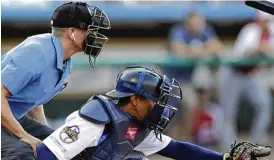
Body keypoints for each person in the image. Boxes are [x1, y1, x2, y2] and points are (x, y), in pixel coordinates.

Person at [36, 66, 271, 160]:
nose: (161, 106)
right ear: (135, 99)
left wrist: (224, 158)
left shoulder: (136, 123)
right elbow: (46, 153)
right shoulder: (96, 119)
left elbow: (177, 149)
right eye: (155, 100)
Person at [1, 2, 111, 159]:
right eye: (90, 30)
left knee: (65, 148)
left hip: (11, 115)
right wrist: (23, 135)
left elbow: (35, 101)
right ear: (72, 32)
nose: (95, 35)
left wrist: (50, 139)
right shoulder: (37, 51)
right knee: (22, 153)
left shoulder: (65, 59)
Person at [218, 10, 274, 152]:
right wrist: (261, 48)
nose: (265, 22)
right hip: (233, 73)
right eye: (263, 19)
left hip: (251, 76)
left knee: (264, 104)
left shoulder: (272, 31)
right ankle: (229, 147)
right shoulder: (250, 30)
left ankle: (257, 142)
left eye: (267, 20)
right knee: (229, 112)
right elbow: (244, 53)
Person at [165, 11, 223, 140]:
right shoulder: (178, 31)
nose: (197, 27)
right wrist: (201, 49)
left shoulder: (205, 30)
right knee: (188, 106)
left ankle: (186, 138)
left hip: (191, 78)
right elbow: (178, 49)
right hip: (174, 78)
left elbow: (217, 46)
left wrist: (195, 50)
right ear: (187, 24)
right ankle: (181, 139)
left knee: (203, 100)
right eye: (194, 24)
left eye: (199, 24)